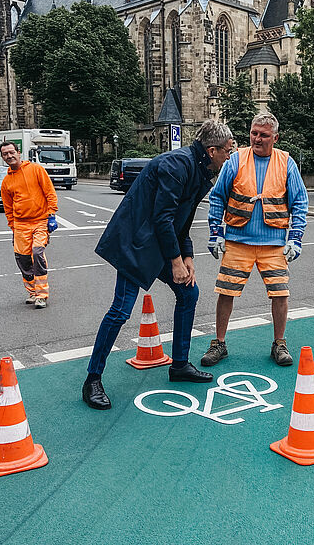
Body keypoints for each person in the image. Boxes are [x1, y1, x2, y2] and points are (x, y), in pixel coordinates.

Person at [82, 120, 235, 410]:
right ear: (212, 150)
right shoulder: (177, 165)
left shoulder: (200, 170)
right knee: (120, 310)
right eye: (228, 151)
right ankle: (93, 379)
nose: (230, 156)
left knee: (188, 293)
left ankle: (180, 365)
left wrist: (187, 256)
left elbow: (183, 218)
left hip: (159, 242)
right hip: (135, 243)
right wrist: (176, 261)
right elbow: (163, 217)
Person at [203, 113, 308, 368]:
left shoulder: (286, 162)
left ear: (275, 138)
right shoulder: (236, 160)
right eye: (254, 133)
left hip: (273, 244)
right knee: (226, 291)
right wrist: (215, 232)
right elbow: (217, 196)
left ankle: (279, 343)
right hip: (238, 240)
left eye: (264, 135)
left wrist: (295, 238)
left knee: (280, 293)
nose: (257, 139)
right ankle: (219, 343)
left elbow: (300, 202)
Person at [0, 141, 58, 309]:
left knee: (37, 253)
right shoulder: (6, 182)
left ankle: (42, 295)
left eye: (11, 152)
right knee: (23, 260)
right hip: (20, 225)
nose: (9, 156)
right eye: (5, 154)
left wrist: (52, 215)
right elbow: (8, 207)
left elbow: (49, 192)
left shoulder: (36, 170)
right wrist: (13, 226)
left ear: (18, 153)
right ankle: (32, 292)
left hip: (40, 221)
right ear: (2, 157)